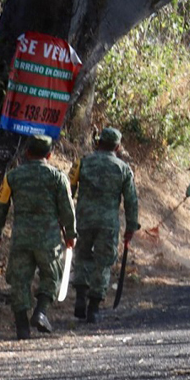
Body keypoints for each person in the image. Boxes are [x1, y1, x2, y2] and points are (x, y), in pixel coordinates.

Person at [0, 135, 77, 340]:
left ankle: (22, 327)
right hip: (49, 240)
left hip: (21, 238)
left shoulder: (12, 176)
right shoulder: (58, 177)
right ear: (49, 155)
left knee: (19, 280)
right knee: (52, 275)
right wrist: (71, 235)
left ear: (27, 153)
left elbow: (0, 205)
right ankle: (41, 311)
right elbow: (67, 209)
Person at [68, 127, 140, 323]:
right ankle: (93, 308)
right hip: (108, 223)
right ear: (117, 147)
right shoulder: (123, 169)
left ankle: (81, 296)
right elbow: (131, 200)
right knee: (103, 263)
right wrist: (131, 226)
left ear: (98, 143)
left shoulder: (82, 162)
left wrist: (65, 217)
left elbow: (68, 189)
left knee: (82, 255)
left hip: (84, 219)